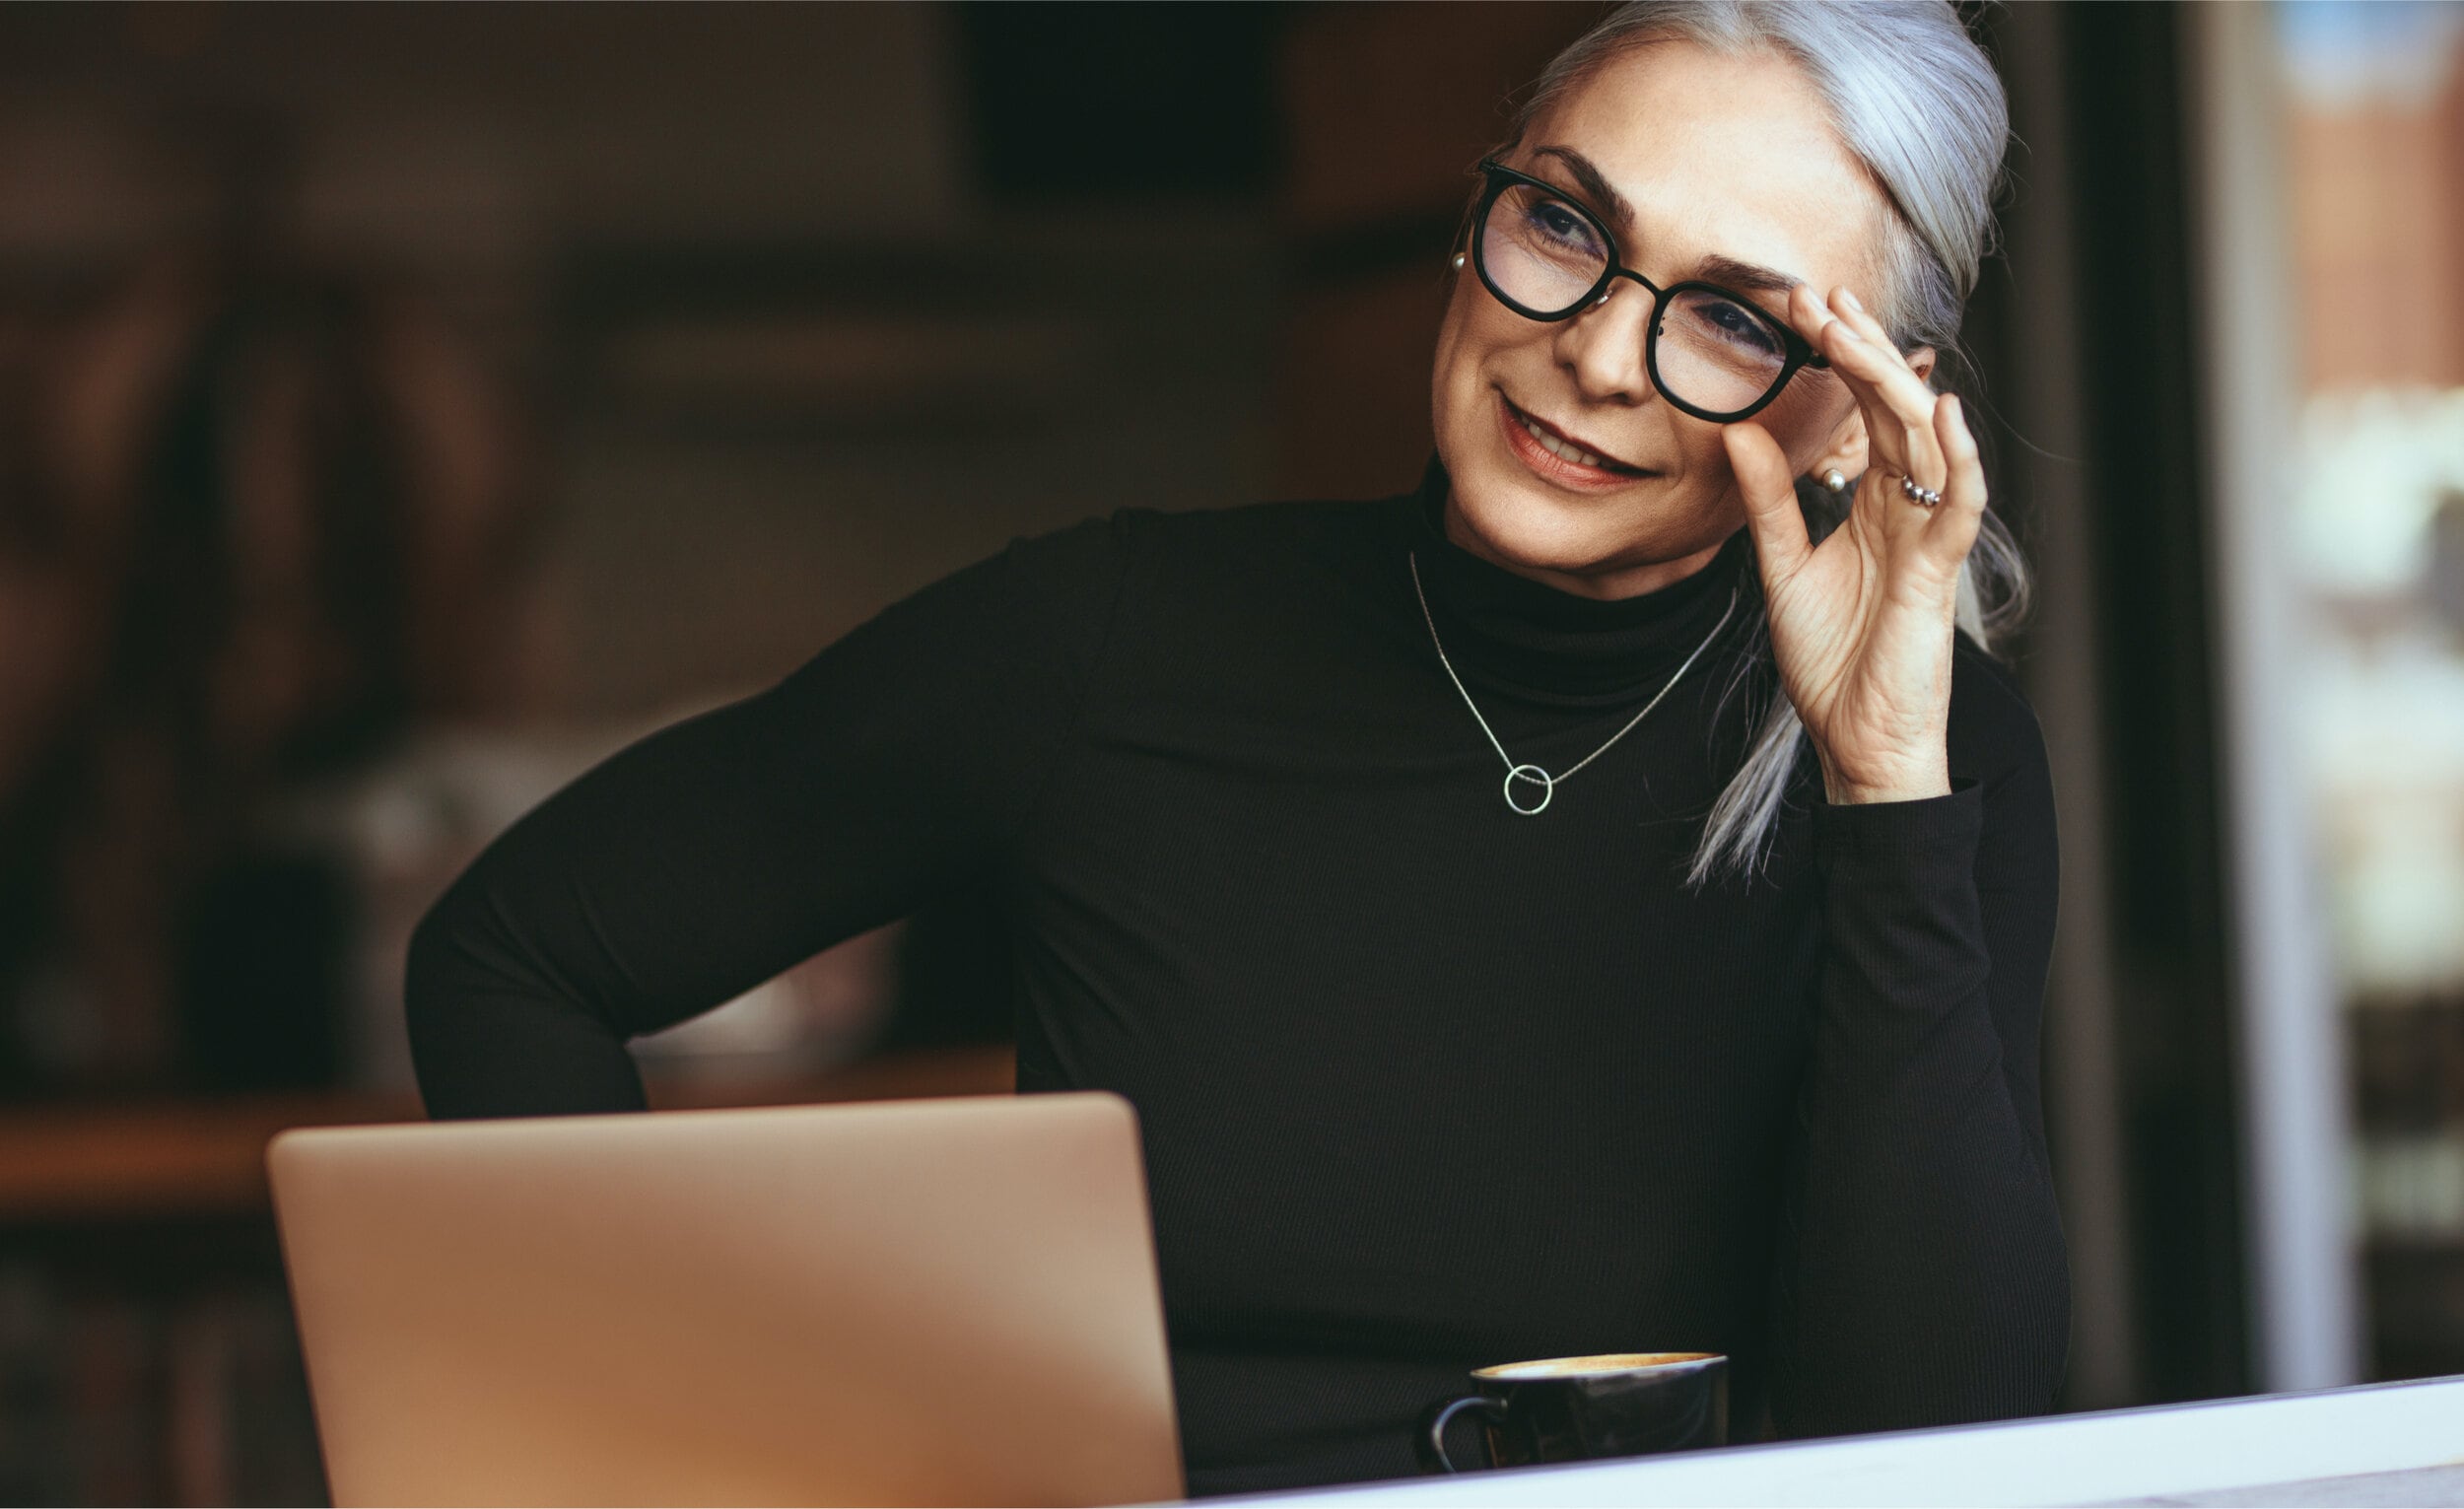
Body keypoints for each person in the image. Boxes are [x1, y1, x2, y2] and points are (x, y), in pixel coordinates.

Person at [406, 0, 2069, 1494]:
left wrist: (1884, 787)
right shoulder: (1108, 640)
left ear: (1854, 407)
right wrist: (649, 1448)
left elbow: (1929, 1455)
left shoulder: (1933, 775)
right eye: (1565, 224)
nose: (1594, 353)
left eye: (1729, 320)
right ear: (1477, 212)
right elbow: (514, 956)